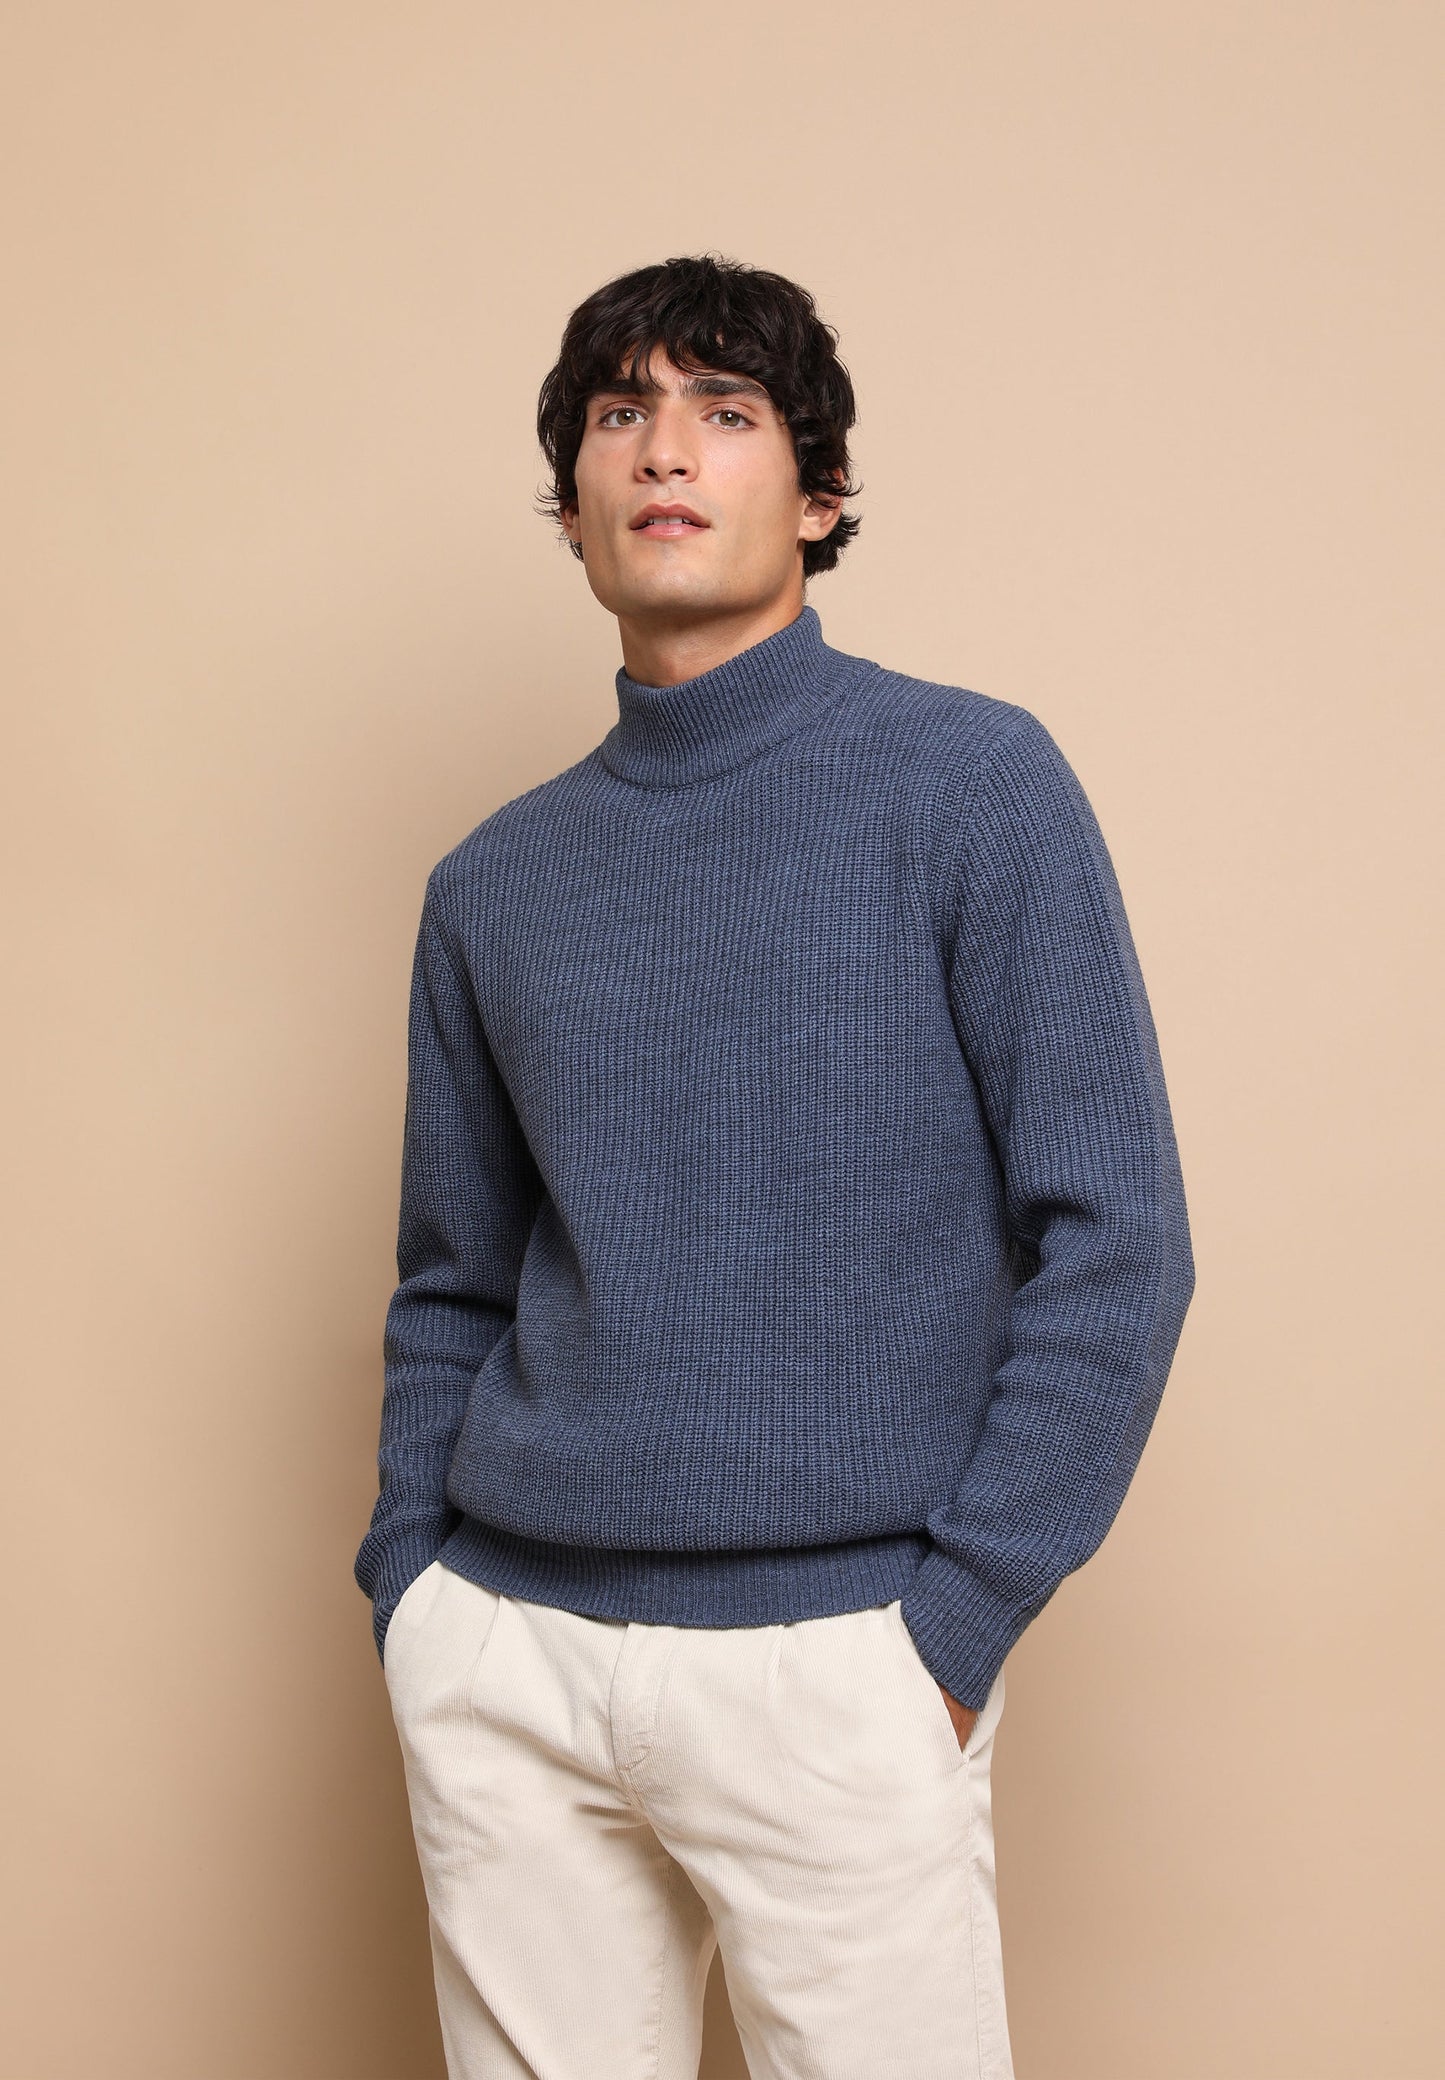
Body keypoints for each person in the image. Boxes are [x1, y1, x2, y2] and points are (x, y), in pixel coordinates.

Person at [354, 252, 1195, 2080]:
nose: (664, 451)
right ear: (570, 502)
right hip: (509, 1658)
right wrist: (415, 1589)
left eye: (723, 413)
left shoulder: (970, 785)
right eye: (619, 415)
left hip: (840, 1659)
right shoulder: (494, 882)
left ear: (816, 496)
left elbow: (1116, 1241)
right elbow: (452, 1280)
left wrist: (953, 1625)